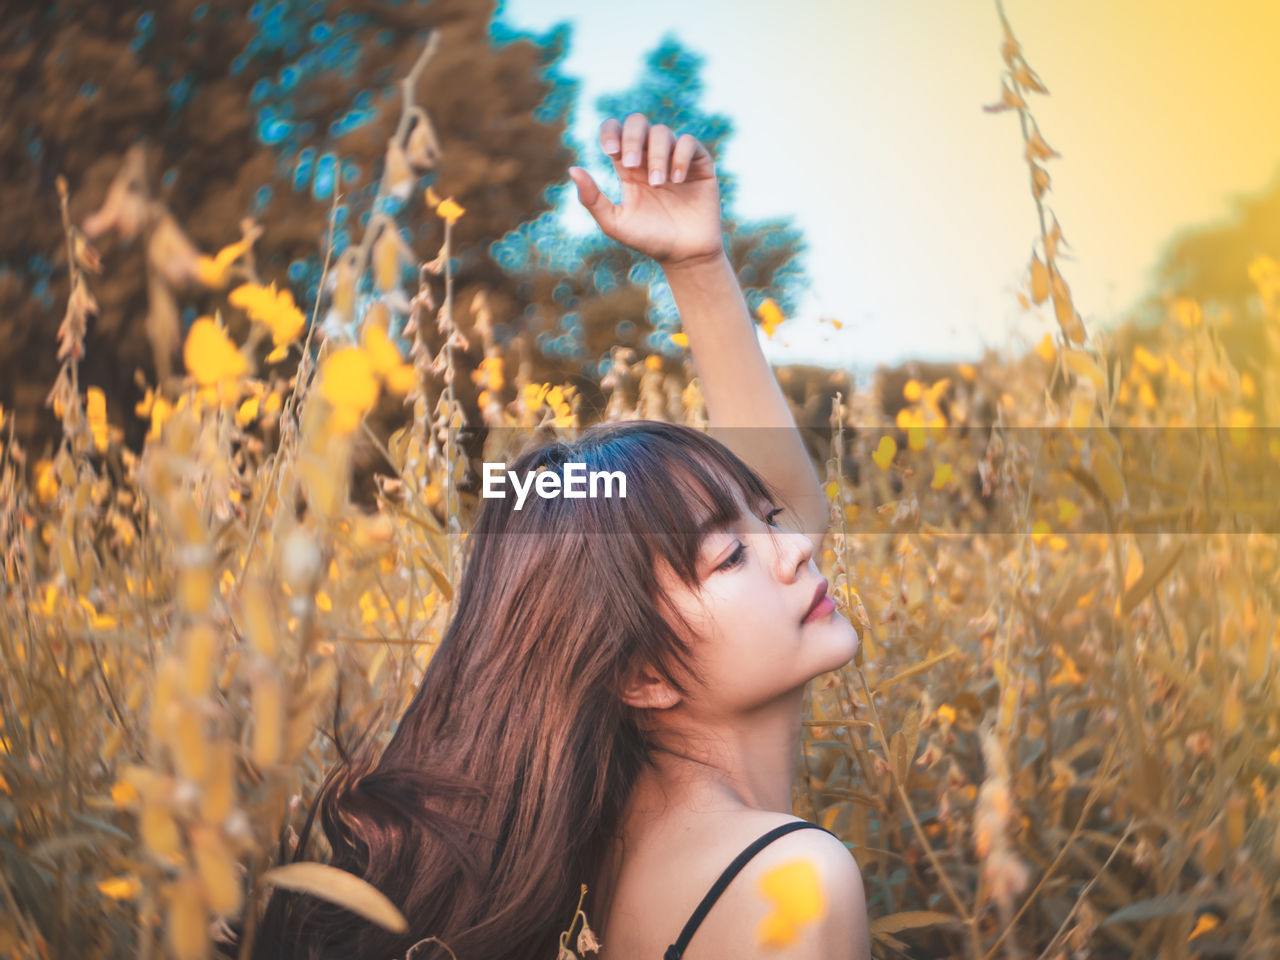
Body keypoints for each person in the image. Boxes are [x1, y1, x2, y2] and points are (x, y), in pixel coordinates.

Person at [248, 114, 870, 960]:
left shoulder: (615, 848)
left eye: (764, 521)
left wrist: (696, 264)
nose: (794, 546)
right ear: (641, 673)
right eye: (730, 554)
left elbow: (792, 505)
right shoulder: (791, 880)